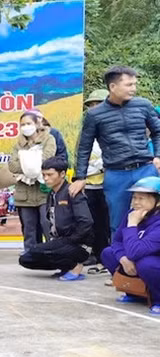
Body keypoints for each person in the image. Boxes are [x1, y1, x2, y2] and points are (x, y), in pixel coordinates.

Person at [71, 66, 160, 233]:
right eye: (129, 85)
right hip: (116, 173)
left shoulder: (144, 105)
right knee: (118, 221)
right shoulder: (95, 115)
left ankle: (150, 258)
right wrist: (80, 177)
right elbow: (84, 147)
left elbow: (157, 131)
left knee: (153, 217)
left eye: (134, 84)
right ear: (113, 87)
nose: (133, 88)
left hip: (145, 169)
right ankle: (120, 257)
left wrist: (158, 156)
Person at [18, 157, 93, 280]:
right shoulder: (52, 194)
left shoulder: (72, 192)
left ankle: (75, 266)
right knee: (26, 259)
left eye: (50, 174)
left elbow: (86, 222)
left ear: (62, 174)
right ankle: (65, 267)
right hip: (61, 240)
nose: (46, 178)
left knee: (38, 250)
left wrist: (71, 240)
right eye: (43, 175)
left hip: (79, 244)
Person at [100, 176, 160, 312]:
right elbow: (117, 241)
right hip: (138, 258)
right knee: (108, 253)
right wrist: (122, 258)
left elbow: (135, 252)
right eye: (134, 198)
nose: (136, 203)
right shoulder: (132, 214)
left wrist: (132, 224)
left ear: (157, 202)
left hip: (152, 263)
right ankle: (134, 293)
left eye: (141, 199)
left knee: (146, 264)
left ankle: (158, 299)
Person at [8, 111, 56, 251]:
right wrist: (33, 163)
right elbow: (13, 165)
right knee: (29, 228)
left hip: (43, 191)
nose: (25, 127)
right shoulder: (18, 144)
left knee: (47, 224)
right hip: (24, 193)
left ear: (36, 124)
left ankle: (51, 253)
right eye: (22, 124)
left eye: (28, 123)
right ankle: (31, 255)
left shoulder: (48, 139)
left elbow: (48, 159)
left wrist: (25, 162)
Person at [81, 89, 112, 275]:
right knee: (95, 224)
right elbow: (81, 156)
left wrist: (98, 167)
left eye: (97, 104)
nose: (94, 108)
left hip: (109, 185)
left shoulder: (114, 129)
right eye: (91, 106)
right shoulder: (87, 131)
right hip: (90, 186)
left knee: (111, 223)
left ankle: (112, 259)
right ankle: (100, 257)